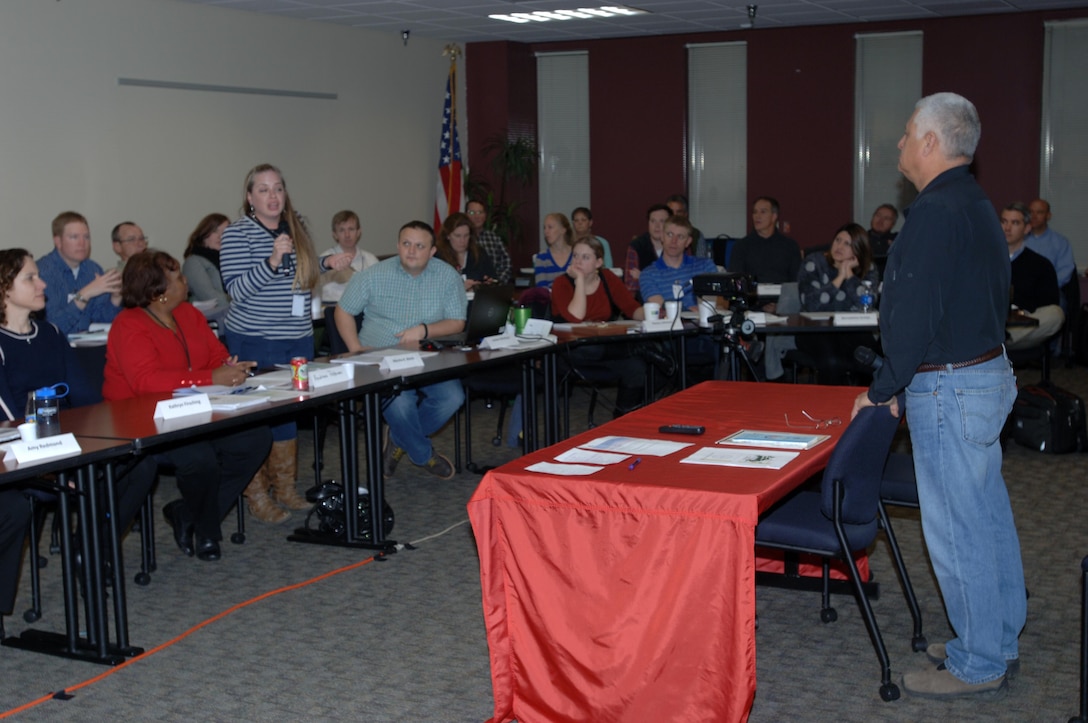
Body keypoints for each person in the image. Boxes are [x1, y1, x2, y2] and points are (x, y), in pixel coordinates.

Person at [852, 92, 1023, 700]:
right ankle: (996, 637)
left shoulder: (934, 211)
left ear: (930, 142)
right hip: (982, 374)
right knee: (987, 518)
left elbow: (916, 312)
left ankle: (978, 662)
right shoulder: (973, 203)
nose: (899, 144)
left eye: (905, 134)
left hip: (951, 385)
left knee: (958, 530)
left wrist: (883, 388)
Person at [103, 251, 272, 560]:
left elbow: (212, 356)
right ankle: (207, 530)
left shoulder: (189, 315)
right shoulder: (128, 326)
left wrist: (228, 367)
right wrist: (211, 376)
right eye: (178, 277)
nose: (185, 281)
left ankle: (189, 514)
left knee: (255, 438)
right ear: (158, 293)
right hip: (145, 421)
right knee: (200, 458)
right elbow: (145, 382)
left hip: (196, 412)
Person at [0, 248, 155, 586]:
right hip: (24, 455)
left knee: (139, 466)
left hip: (67, 444)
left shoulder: (52, 334)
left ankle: (91, 548)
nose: (42, 283)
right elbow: (10, 418)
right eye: (31, 277)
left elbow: (85, 398)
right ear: (4, 289)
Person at [220, 163, 323, 519]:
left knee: (288, 413)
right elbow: (236, 290)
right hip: (255, 339)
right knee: (256, 417)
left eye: (278, 188)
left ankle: (286, 488)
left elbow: (302, 278)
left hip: (297, 337)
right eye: (263, 189)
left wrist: (323, 262)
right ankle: (257, 496)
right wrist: (273, 259)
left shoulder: (296, 229)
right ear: (250, 198)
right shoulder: (237, 234)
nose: (273, 196)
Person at [335, 221, 466, 479]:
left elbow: (457, 322)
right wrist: (356, 349)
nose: (412, 251)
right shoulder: (373, 275)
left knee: (453, 398)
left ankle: (398, 438)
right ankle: (423, 454)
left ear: (432, 251)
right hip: (381, 360)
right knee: (401, 405)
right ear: (397, 246)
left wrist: (424, 330)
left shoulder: (448, 276)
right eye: (406, 244)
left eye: (420, 246)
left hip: (429, 358)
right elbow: (343, 311)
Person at [551, 237, 648, 416]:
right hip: (571, 350)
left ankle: (621, 419)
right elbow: (576, 317)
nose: (578, 261)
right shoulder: (562, 283)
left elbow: (631, 308)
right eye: (575, 256)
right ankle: (638, 348)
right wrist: (579, 279)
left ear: (599, 262)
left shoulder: (607, 278)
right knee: (599, 347)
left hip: (605, 348)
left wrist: (655, 314)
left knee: (637, 368)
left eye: (585, 257)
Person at [796, 223, 881, 384]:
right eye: (837, 240)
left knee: (868, 359)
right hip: (814, 330)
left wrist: (849, 276)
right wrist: (839, 278)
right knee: (833, 361)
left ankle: (865, 404)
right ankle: (832, 406)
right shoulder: (813, 262)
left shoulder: (868, 268)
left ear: (858, 249)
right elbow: (811, 304)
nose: (839, 246)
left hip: (852, 330)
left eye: (847, 243)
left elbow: (867, 304)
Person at [38, 211, 122, 335]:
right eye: (74, 237)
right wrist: (84, 294)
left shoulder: (93, 269)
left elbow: (103, 320)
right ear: (58, 241)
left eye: (86, 237)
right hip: (57, 347)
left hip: (88, 345)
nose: (82, 243)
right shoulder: (43, 271)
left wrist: (116, 298)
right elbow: (53, 327)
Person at [1002, 202, 1064, 350]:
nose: (1007, 228)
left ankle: (999, 343)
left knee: (1056, 315)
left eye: (1015, 223)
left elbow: (1049, 304)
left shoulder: (1041, 264)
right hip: (989, 322)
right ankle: (997, 342)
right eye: (1004, 222)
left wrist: (1021, 313)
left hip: (1020, 327)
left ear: (1027, 228)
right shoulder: (985, 259)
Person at [730, 197, 802, 287]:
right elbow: (737, 282)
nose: (757, 216)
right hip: (752, 298)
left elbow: (796, 282)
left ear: (774, 216)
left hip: (782, 298)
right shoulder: (741, 246)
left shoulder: (790, 246)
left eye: (763, 212)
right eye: (755, 212)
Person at [316, 210, 378, 304]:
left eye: (351, 229)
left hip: (364, 311)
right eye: (342, 230)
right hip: (332, 309)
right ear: (335, 234)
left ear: (358, 232)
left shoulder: (370, 260)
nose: (347, 235)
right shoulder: (325, 260)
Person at [182, 213, 231, 316]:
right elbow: (210, 296)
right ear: (204, 234)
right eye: (215, 231)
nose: (220, 236)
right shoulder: (193, 262)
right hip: (211, 321)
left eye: (225, 232)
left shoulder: (231, 259)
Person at [436, 212, 496, 291]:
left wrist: (487, 284)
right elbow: (434, 290)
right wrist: (460, 289)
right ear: (448, 235)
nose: (462, 241)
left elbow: (493, 280)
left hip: (477, 302)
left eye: (466, 235)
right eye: (457, 236)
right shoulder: (438, 258)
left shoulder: (479, 254)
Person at [1026, 198, 1075, 290]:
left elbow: (1065, 271)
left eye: (1039, 212)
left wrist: (1045, 287)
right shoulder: (1019, 240)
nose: (1034, 216)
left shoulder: (1061, 242)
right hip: (1023, 292)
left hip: (1050, 291)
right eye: (1031, 212)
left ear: (1048, 216)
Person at [624, 204, 671, 297]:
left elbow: (681, 283)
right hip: (644, 302)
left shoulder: (677, 246)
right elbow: (631, 285)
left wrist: (643, 276)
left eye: (662, 221)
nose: (657, 226)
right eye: (653, 221)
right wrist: (664, 281)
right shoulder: (636, 246)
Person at [465, 200, 512, 285]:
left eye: (480, 212)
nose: (476, 216)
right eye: (472, 212)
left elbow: (506, 264)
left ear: (485, 216)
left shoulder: (494, 238)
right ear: (465, 215)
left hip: (491, 289)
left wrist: (496, 282)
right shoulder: (461, 239)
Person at [533, 213, 574, 288]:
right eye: (544, 228)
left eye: (550, 227)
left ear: (563, 230)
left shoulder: (576, 254)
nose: (546, 231)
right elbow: (541, 289)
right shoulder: (542, 257)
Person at [665, 194, 708, 260]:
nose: (674, 215)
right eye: (671, 212)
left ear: (685, 214)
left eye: (679, 212)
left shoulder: (696, 235)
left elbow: (701, 261)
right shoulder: (660, 233)